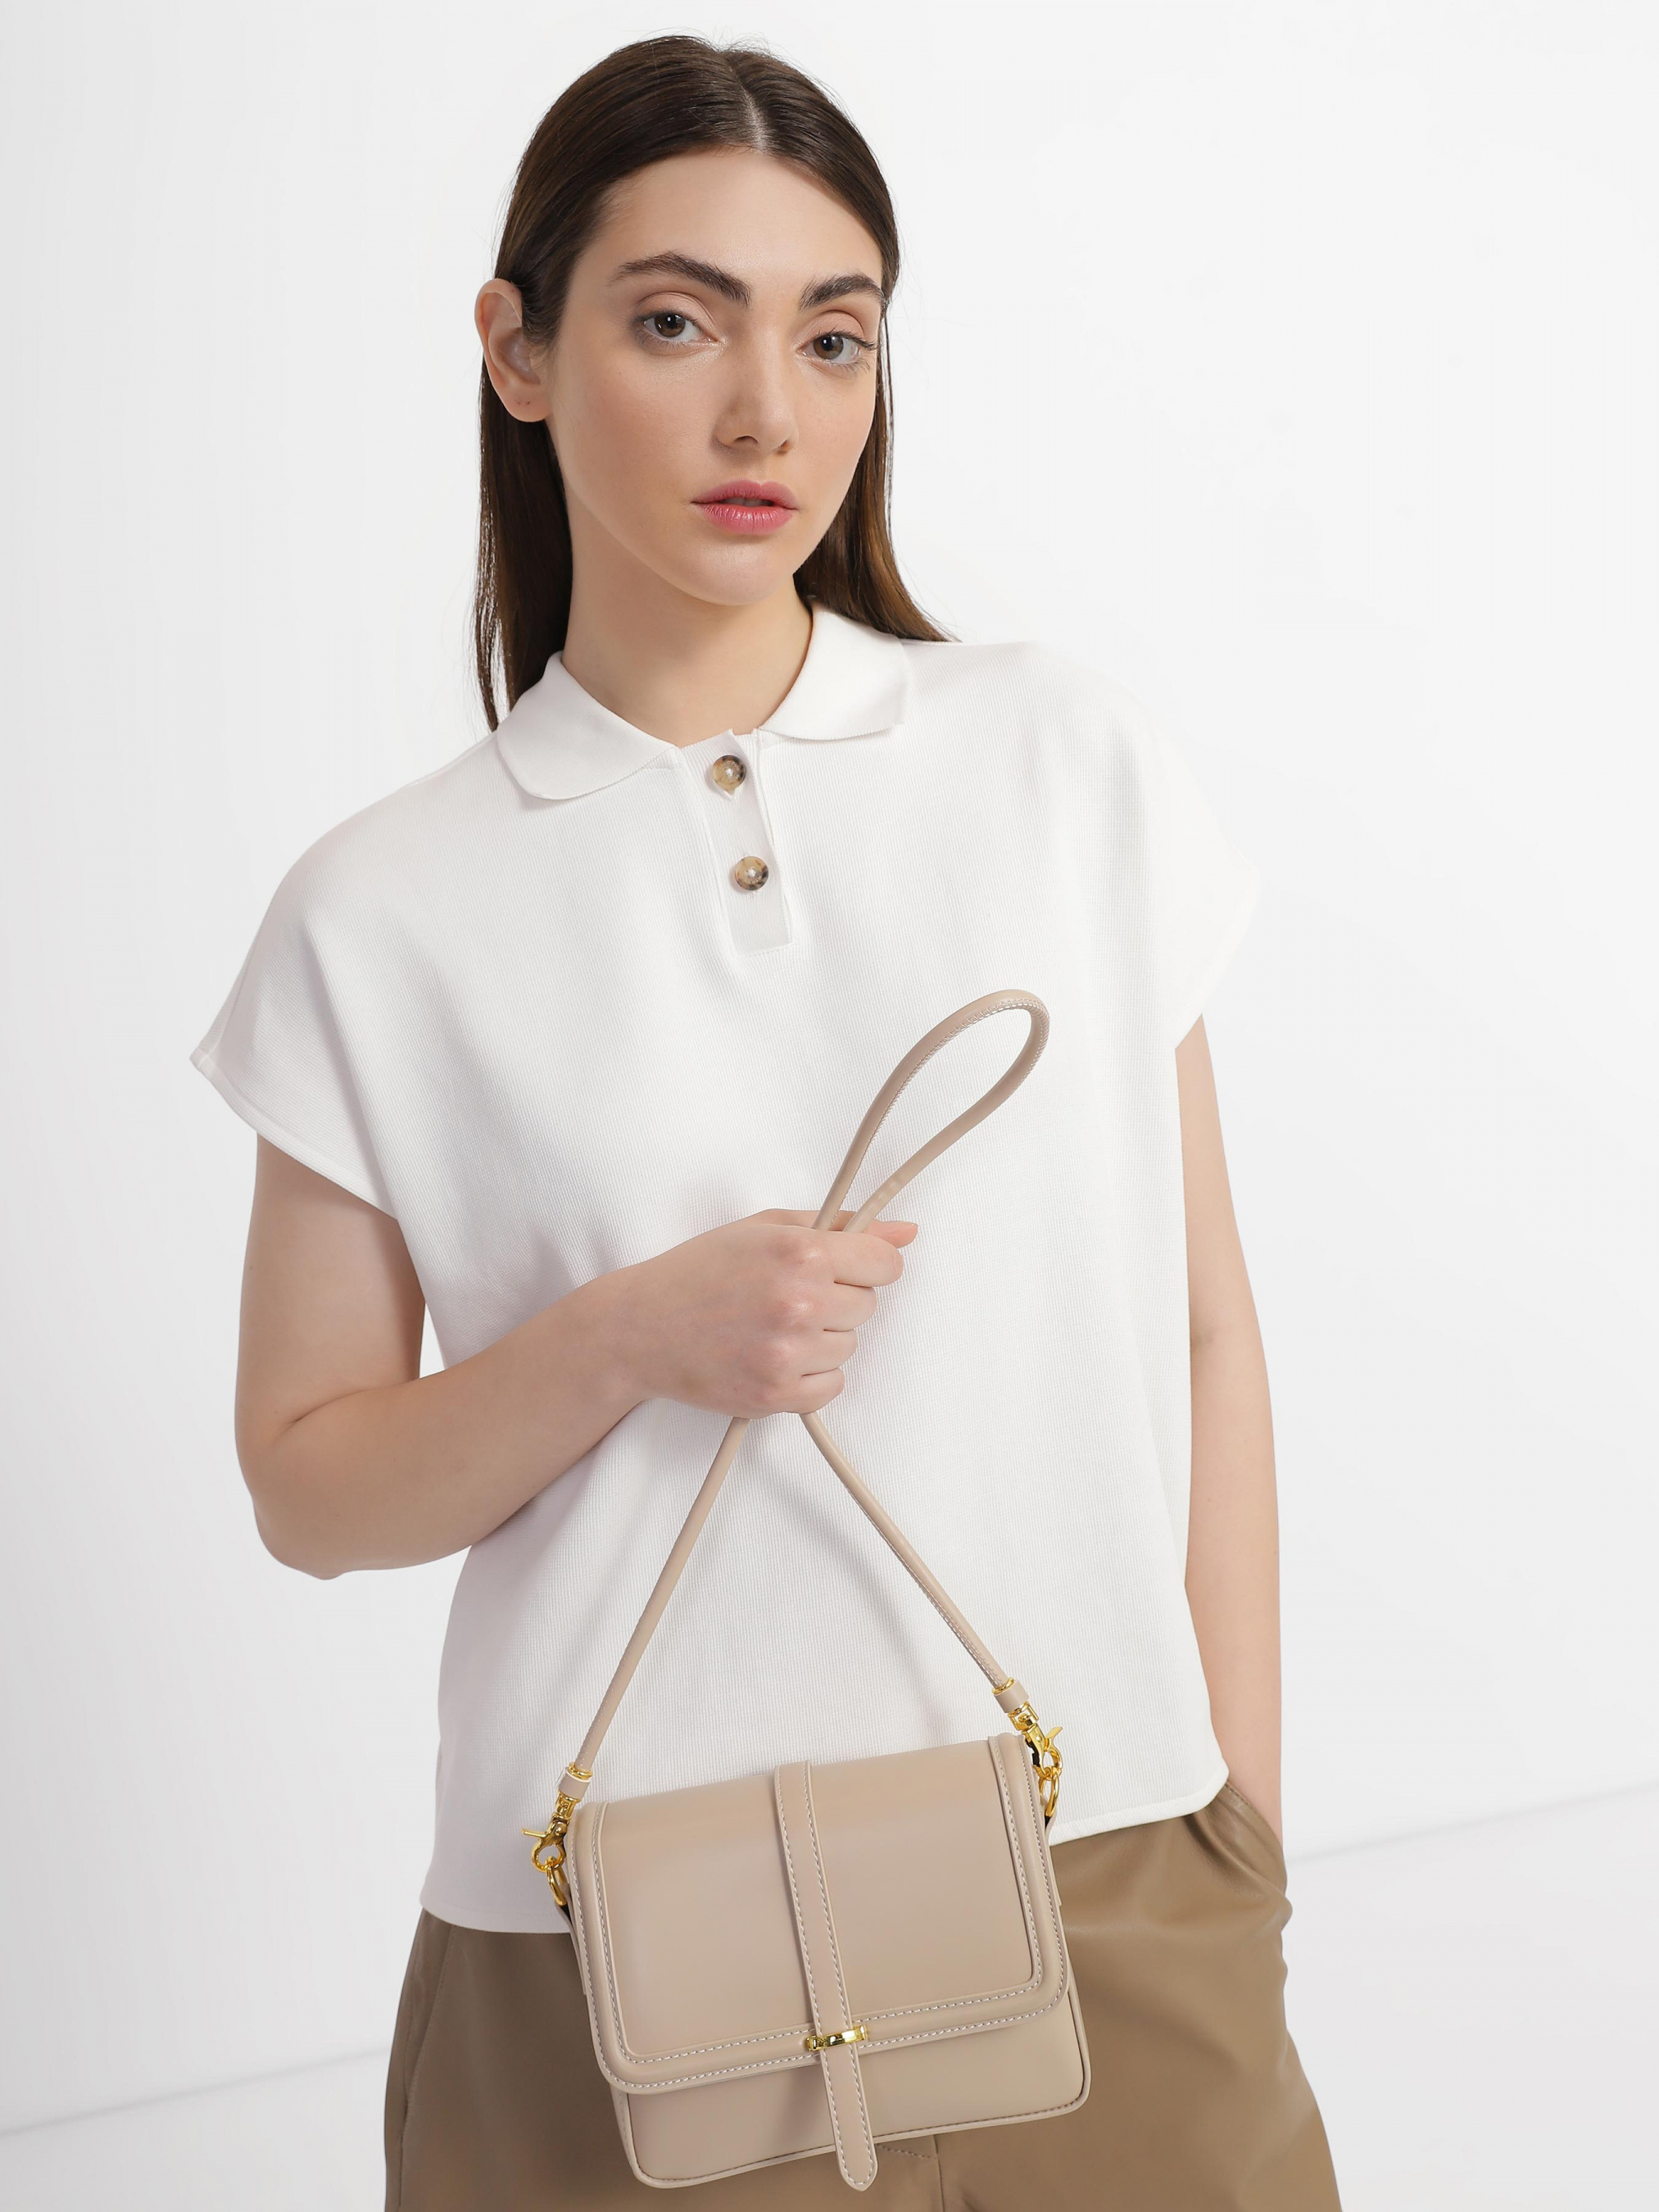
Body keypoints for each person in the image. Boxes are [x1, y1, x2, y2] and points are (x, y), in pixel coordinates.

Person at [189, 32, 1342, 2211]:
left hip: (1111, 1878)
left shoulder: (1060, 765)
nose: (767, 416)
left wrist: (1237, 1826)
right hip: (603, 1950)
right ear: (516, 353)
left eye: (832, 337)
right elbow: (308, 1487)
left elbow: (1204, 1331)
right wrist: (626, 1338)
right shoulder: (380, 907)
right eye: (673, 323)